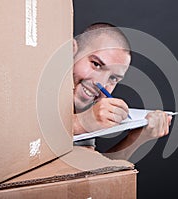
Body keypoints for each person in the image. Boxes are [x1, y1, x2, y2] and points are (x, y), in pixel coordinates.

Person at [72, 23, 172, 160]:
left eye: (113, 78)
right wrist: (81, 123)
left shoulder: (87, 107)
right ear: (71, 51)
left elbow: (91, 172)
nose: (99, 83)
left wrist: (137, 137)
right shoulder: (36, 85)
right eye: (96, 64)